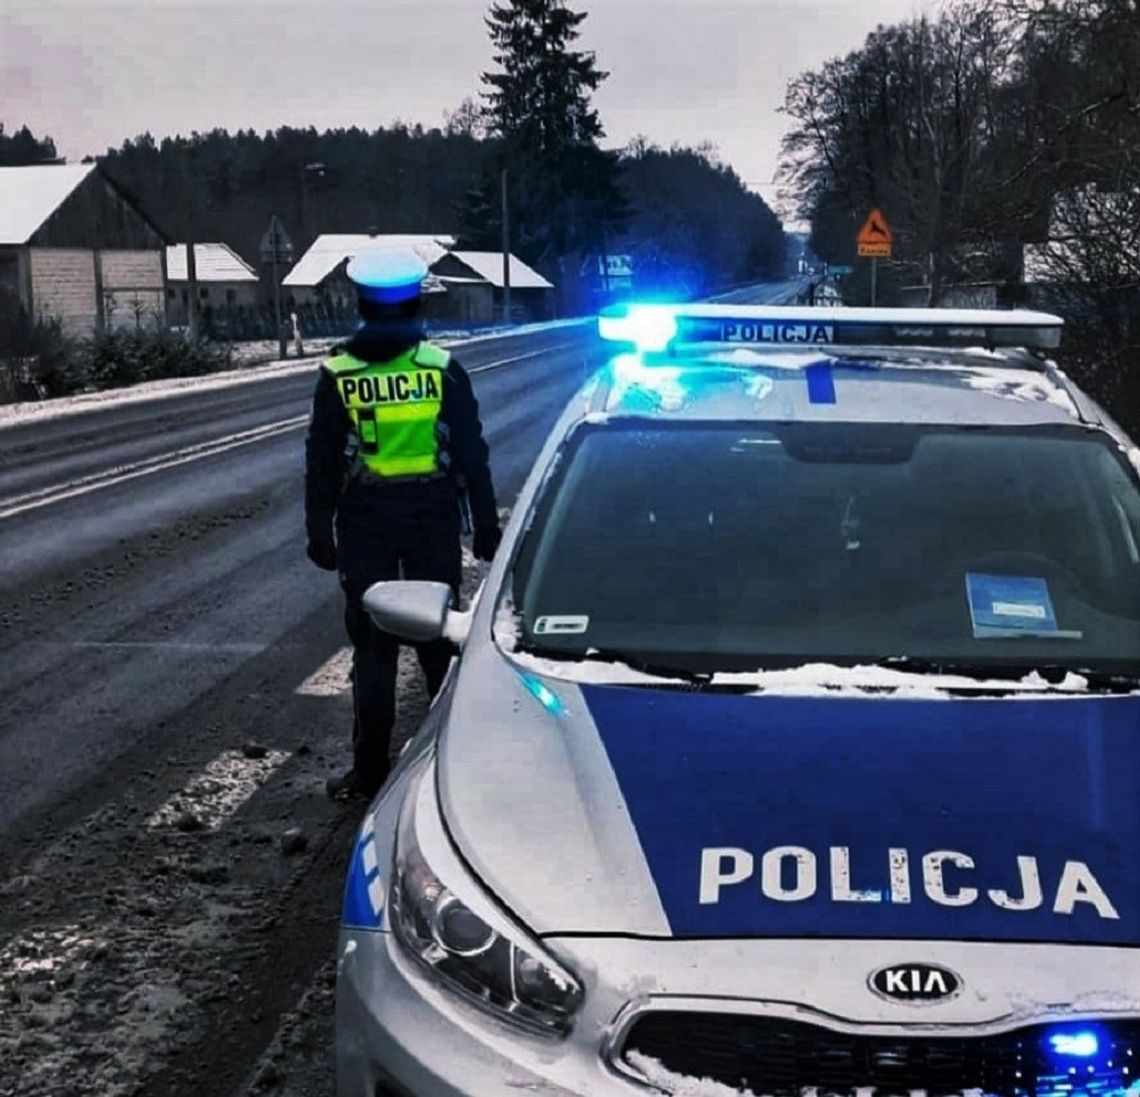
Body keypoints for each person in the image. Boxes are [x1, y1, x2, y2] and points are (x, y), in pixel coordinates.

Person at [304, 248, 502, 801]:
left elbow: (321, 462)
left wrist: (319, 529)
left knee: (373, 649)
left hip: (365, 524)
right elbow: (472, 453)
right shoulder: (441, 370)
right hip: (432, 519)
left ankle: (369, 773)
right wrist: (485, 524)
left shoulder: (339, 374)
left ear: (361, 303)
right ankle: (451, 765)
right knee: (438, 642)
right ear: (416, 303)